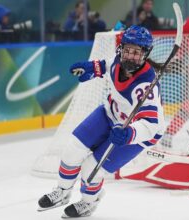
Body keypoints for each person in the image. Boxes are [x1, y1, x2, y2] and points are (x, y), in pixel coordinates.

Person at [37, 25, 165, 218]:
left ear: (145, 54)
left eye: (136, 52)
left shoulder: (146, 85)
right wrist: (93, 68)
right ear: (121, 49)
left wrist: (130, 133)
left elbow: (151, 125)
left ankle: (89, 202)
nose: (130, 56)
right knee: (72, 148)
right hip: (110, 113)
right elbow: (108, 65)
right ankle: (62, 192)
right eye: (127, 50)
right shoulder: (118, 59)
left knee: (91, 168)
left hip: (139, 133)